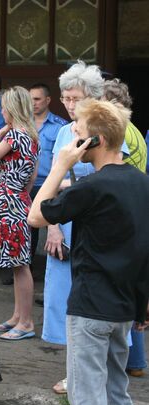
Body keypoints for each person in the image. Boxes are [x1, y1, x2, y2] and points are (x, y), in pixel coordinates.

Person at [28, 98, 149, 405]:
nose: (71, 142)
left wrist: (57, 167)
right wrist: (141, 303)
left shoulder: (91, 186)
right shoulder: (142, 183)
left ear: (94, 140)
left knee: (89, 404)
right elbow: (144, 250)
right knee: (117, 396)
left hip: (91, 309)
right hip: (123, 308)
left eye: (76, 134)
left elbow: (36, 216)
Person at [41, 60, 109, 394]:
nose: (69, 105)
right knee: (65, 299)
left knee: (95, 297)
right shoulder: (63, 132)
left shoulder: (108, 130)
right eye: (65, 98)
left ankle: (99, 374)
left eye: (76, 98)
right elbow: (55, 178)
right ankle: (73, 371)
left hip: (96, 222)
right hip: (66, 223)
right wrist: (52, 227)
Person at [0, 86, 39, 341]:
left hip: (9, 202)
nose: (2, 111)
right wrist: (18, 193)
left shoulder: (14, 135)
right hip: (20, 199)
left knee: (20, 263)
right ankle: (18, 316)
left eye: (4, 107)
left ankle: (25, 322)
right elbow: (33, 176)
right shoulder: (33, 136)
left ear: (12, 109)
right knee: (19, 263)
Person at [102, 78, 148, 378]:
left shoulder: (121, 134)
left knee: (122, 288)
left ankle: (129, 362)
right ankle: (136, 362)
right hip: (136, 211)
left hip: (124, 214)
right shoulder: (137, 133)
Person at [28, 83, 68, 279]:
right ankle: (23, 269)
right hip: (26, 185)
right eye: (30, 99)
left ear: (48, 100)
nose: (33, 103)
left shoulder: (61, 126)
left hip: (49, 185)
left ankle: (50, 274)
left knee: (53, 229)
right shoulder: (23, 124)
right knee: (27, 230)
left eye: (37, 99)